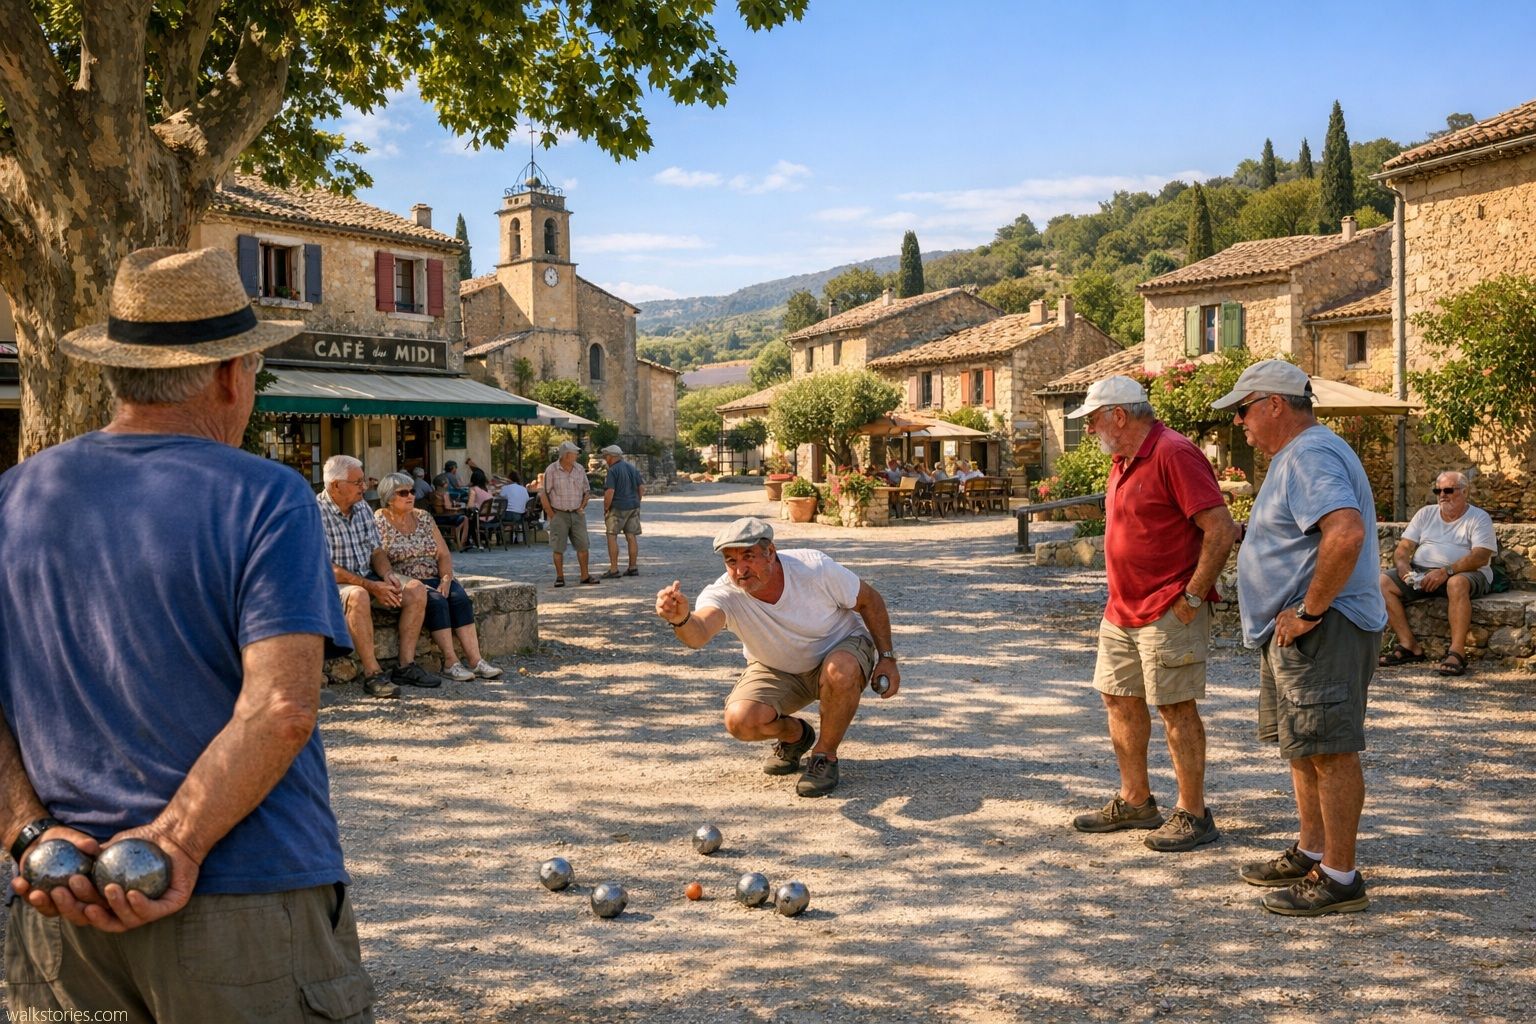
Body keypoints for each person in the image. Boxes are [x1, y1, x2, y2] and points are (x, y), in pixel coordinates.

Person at [0, 246, 376, 1019]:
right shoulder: (266, 495)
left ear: (117, 373)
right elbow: (282, 709)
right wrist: (176, 842)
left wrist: (28, 832)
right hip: (243, 898)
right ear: (232, 375)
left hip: (62, 908)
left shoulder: (14, 496)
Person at [1213, 359, 1386, 917]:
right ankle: (1313, 851)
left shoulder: (1310, 454)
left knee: (1329, 750)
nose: (1239, 422)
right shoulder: (1301, 454)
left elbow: (1346, 532)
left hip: (1322, 630)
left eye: (1243, 410)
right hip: (1302, 631)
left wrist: (1310, 611)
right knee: (1306, 748)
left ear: (1273, 404)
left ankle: (1339, 877)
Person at [1066, 376, 1237, 852]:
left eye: (1094, 420)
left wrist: (1193, 597)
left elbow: (1220, 529)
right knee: (1118, 697)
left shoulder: (1173, 453)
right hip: (1122, 608)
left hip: (1168, 607)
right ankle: (1136, 800)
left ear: (1119, 415)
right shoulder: (1123, 460)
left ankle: (1194, 813)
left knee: (1175, 707)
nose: (1090, 429)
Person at [654, 517, 900, 797]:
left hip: (841, 649)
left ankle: (824, 756)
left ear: (770, 552)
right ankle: (796, 736)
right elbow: (698, 634)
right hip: (777, 667)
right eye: (731, 561)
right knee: (740, 720)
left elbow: (870, 600)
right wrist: (681, 619)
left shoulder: (814, 568)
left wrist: (887, 658)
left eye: (749, 557)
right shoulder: (724, 593)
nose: (740, 570)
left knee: (840, 669)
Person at [319, 455, 433, 697]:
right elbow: (324, 567)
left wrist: (387, 574)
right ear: (336, 485)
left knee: (415, 589)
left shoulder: (361, 508)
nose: (364, 486)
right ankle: (373, 673)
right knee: (358, 595)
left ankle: (405, 665)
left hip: (367, 576)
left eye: (363, 481)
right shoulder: (314, 512)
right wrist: (371, 586)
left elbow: (376, 550)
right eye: (357, 482)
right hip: (332, 585)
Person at [375, 473, 505, 683]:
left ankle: (476, 660)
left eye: (412, 491)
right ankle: (450, 662)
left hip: (434, 575)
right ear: (389, 497)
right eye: (403, 493)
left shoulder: (424, 517)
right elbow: (379, 557)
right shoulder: (379, 520)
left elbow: (443, 553)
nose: (411, 496)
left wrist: (445, 578)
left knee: (459, 598)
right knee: (437, 602)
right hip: (409, 582)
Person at [1378, 471, 1497, 677]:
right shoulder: (1426, 514)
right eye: (1438, 490)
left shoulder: (1478, 517)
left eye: (1448, 490)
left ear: (1464, 492)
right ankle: (1409, 646)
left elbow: (1480, 556)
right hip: (1422, 572)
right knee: (1382, 582)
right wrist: (1404, 567)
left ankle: (1457, 652)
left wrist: (1446, 571)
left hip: (1465, 572)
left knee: (1456, 584)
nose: (1442, 495)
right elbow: (1404, 548)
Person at [542, 440, 599, 587]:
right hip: (559, 513)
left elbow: (587, 490)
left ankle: (585, 576)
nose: (577, 456)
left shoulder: (579, 469)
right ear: (566, 455)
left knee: (583, 546)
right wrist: (551, 514)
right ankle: (560, 577)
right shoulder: (552, 470)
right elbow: (544, 494)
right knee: (558, 548)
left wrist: (582, 506)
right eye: (574, 453)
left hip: (577, 514)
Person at [601, 444, 645, 578]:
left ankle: (614, 569)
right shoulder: (632, 468)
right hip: (633, 506)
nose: (605, 459)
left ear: (611, 456)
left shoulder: (612, 471)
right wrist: (637, 501)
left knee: (612, 536)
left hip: (617, 507)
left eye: (606, 456)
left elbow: (610, 492)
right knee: (631, 536)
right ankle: (633, 567)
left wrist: (606, 508)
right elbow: (641, 488)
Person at [429, 473, 472, 551]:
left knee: (462, 519)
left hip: (437, 517)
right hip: (444, 517)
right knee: (465, 518)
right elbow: (448, 507)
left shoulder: (433, 494)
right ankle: (462, 543)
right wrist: (457, 508)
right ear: (444, 484)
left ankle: (457, 540)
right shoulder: (444, 494)